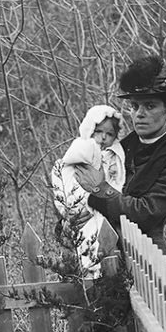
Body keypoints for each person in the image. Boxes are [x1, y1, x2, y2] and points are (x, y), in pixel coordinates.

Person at [75, 54, 166, 260]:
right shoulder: (117, 151)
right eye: (135, 106)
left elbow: (143, 215)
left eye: (150, 106)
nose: (139, 114)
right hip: (102, 254)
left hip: (150, 265)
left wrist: (98, 189)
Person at [50, 104, 127, 278]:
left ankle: (93, 267)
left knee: (98, 239)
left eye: (110, 134)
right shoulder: (84, 146)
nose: (103, 137)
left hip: (103, 212)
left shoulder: (115, 154)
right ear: (90, 129)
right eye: (99, 131)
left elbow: (115, 182)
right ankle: (86, 268)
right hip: (80, 204)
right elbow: (69, 168)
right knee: (81, 239)